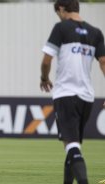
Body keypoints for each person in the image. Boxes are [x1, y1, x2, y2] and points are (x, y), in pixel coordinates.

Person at [40, 0, 105, 183]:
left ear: (61, 9)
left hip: (66, 94)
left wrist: (44, 78)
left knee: (72, 146)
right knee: (73, 145)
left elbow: (46, 60)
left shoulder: (61, 28)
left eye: (58, 13)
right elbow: (103, 63)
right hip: (86, 97)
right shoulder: (96, 32)